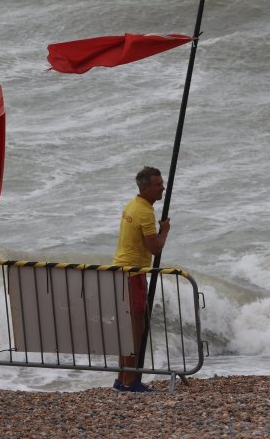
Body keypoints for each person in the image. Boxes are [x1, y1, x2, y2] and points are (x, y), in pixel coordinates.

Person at [111, 166, 170, 392]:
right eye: (158, 184)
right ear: (145, 188)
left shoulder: (132, 204)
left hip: (120, 271)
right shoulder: (145, 211)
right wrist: (164, 230)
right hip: (132, 274)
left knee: (128, 329)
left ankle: (122, 378)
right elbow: (155, 248)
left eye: (162, 183)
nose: (162, 187)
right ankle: (129, 381)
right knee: (136, 329)